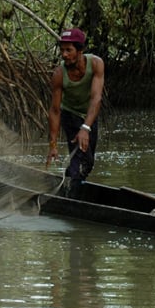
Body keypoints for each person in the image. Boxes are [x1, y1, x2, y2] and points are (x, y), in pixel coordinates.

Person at [46, 27, 104, 190]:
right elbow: (55, 110)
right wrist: (53, 145)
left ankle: (67, 186)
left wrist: (86, 127)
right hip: (70, 115)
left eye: (69, 50)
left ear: (80, 50)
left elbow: (96, 98)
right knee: (82, 161)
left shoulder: (96, 64)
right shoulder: (59, 74)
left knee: (88, 162)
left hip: (89, 115)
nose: (64, 55)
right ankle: (71, 190)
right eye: (62, 50)